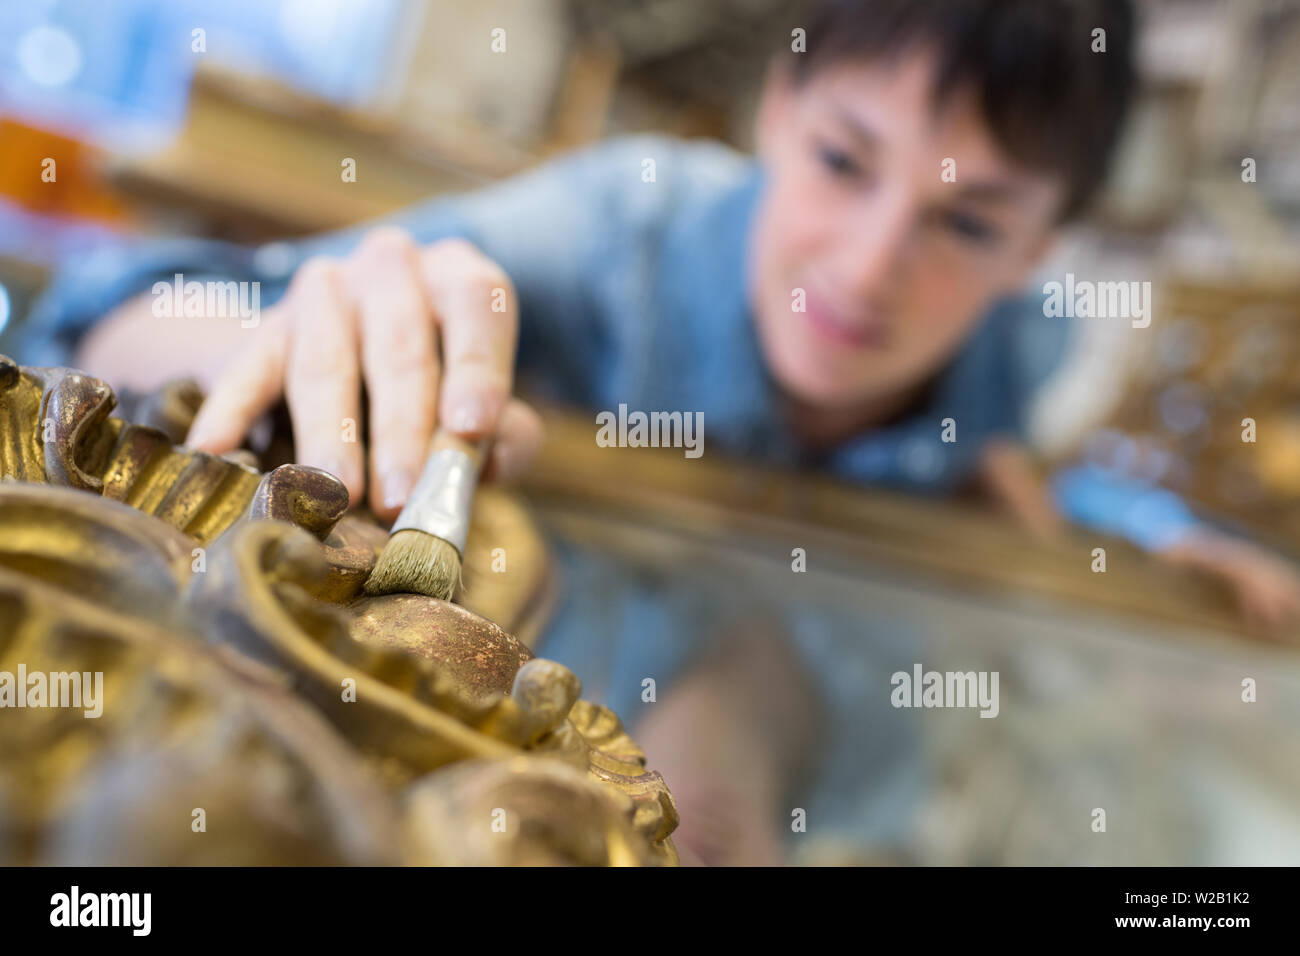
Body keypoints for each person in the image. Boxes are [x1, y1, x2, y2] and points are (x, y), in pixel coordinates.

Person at [19, 0, 1300, 863]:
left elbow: (1015, 462)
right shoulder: (606, 230)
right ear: (774, 112)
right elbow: (109, 312)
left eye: (967, 226)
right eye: (845, 161)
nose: (863, 272)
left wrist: (1140, 535)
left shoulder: (1027, 343)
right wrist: (274, 334)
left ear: (1039, 249)